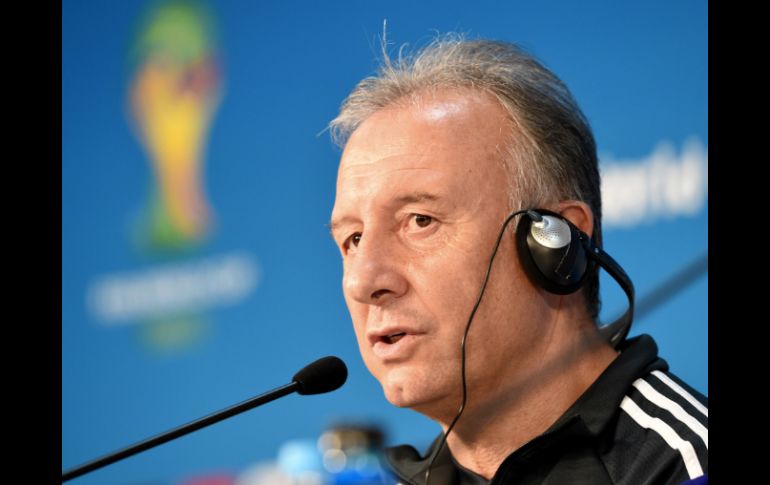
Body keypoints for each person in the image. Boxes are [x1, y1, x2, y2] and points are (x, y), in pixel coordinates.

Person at [327, 34, 708, 485]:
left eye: (420, 220)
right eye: (352, 239)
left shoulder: (685, 467)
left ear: (556, 244)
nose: (364, 280)